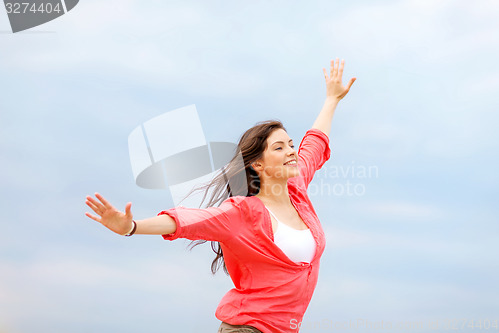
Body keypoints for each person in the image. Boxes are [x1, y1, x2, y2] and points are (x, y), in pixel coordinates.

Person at [85, 58, 356, 333]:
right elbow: (188, 220)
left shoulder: (297, 189)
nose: (290, 151)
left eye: (290, 145)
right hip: (247, 328)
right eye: (278, 148)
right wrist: (132, 227)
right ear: (258, 164)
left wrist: (332, 99)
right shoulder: (242, 212)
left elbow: (315, 143)